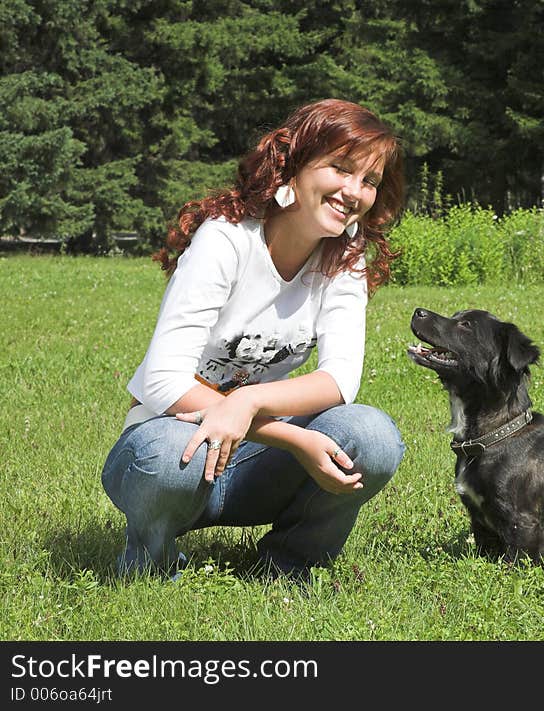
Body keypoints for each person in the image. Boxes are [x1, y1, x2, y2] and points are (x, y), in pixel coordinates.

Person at [101, 99, 406, 581]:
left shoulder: (345, 256)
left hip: (255, 467)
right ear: (295, 164)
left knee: (372, 436)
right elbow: (162, 381)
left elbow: (341, 378)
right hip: (173, 450)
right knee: (164, 458)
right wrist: (289, 435)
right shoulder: (226, 239)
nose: (354, 192)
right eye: (340, 169)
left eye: (368, 181)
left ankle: (288, 565)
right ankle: (150, 565)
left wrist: (250, 400)